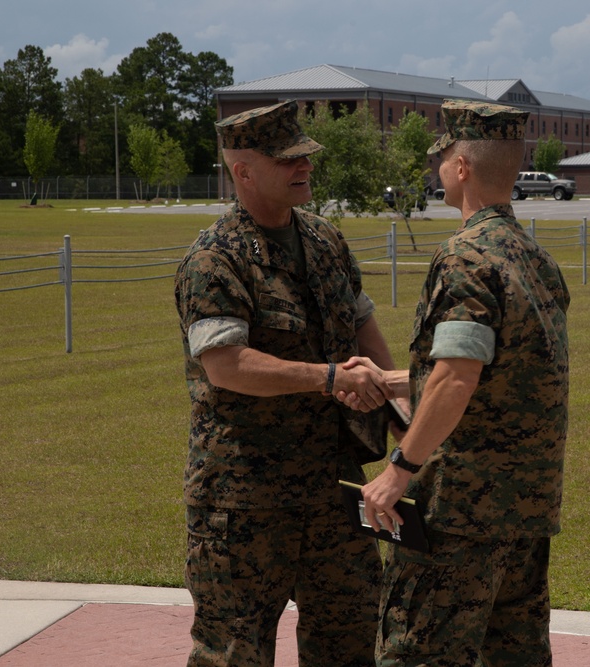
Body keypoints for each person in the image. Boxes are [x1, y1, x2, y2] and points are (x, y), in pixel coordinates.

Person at [174, 99, 398, 667]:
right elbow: (225, 365)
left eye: (304, 156)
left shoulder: (326, 242)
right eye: (286, 159)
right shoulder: (215, 259)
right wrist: (328, 378)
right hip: (244, 501)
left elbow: (366, 334)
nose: (303, 167)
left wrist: (407, 421)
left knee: (349, 647)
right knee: (234, 654)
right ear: (242, 170)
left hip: (334, 492)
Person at [359, 100, 570, 667]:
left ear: (461, 167)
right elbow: (504, 367)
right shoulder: (534, 259)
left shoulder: (466, 259)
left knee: (417, 655)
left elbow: (457, 377)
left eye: (441, 159)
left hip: (460, 513)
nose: (436, 172)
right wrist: (398, 380)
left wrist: (398, 471)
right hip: (524, 511)